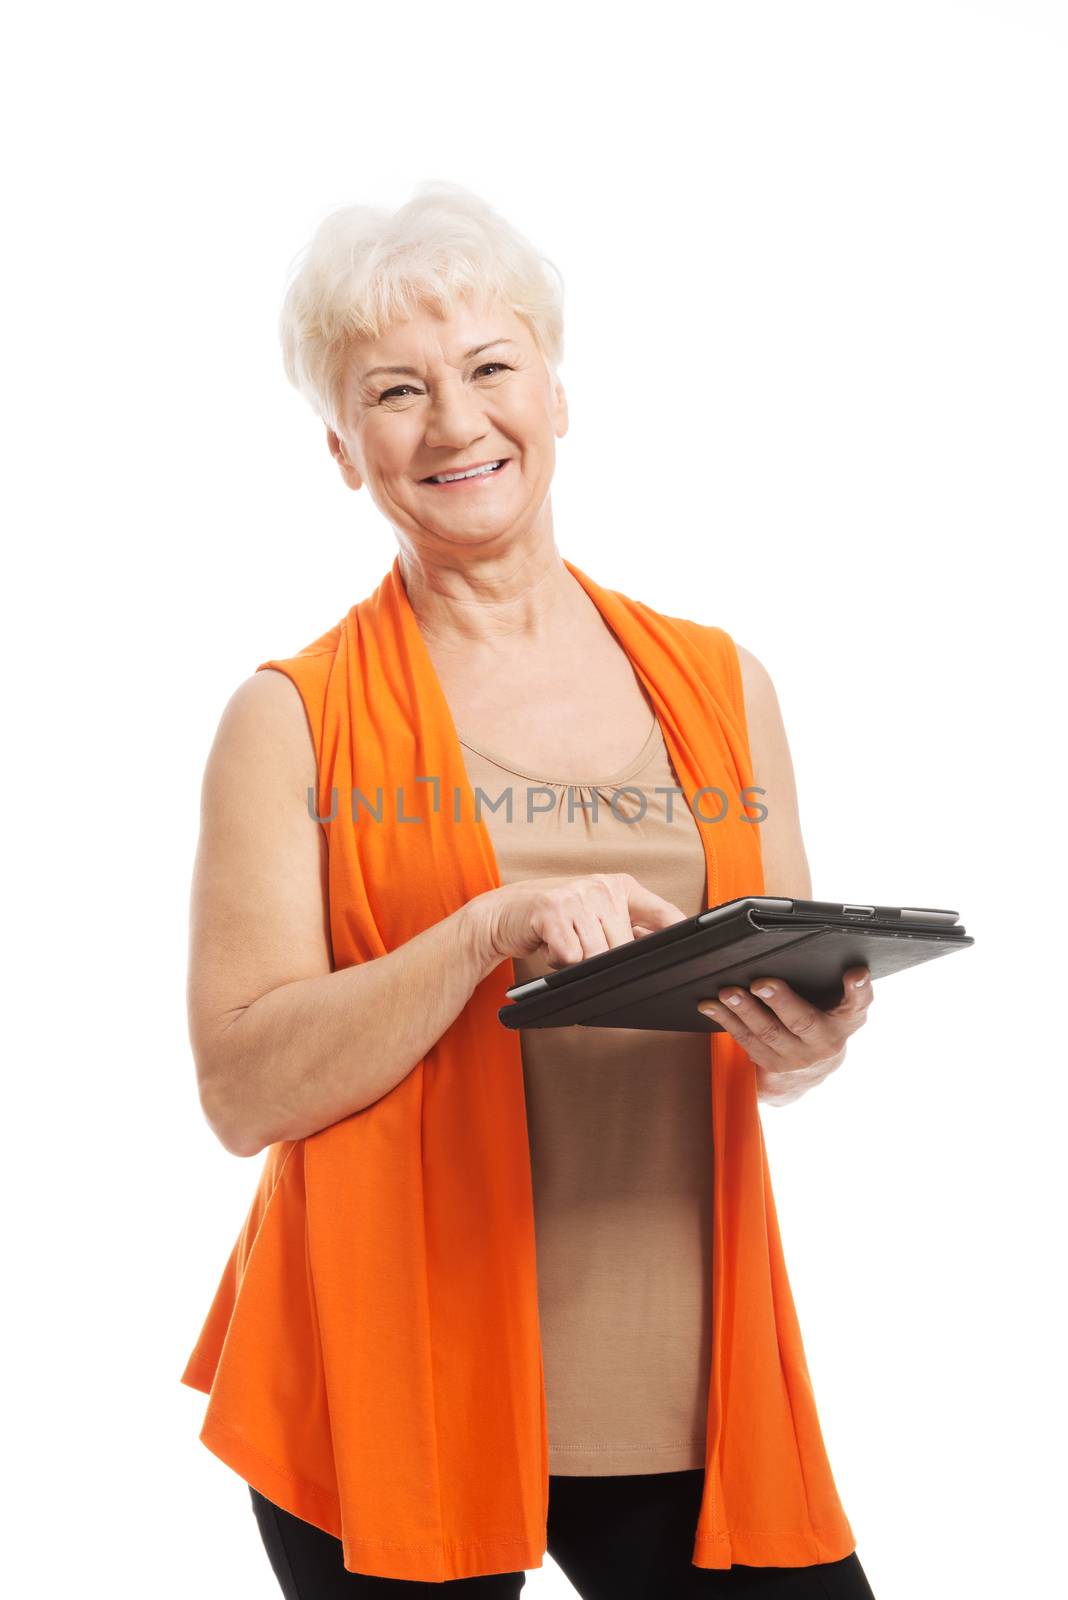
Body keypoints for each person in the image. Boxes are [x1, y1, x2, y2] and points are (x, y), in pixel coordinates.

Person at [182, 180, 877, 1597]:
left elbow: (769, 1001)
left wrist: (809, 1042)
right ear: (342, 450)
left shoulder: (720, 683)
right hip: (392, 1381)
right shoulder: (291, 718)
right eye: (394, 391)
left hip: (683, 1379)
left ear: (557, 392)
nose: (454, 424)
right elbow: (242, 1088)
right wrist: (490, 929)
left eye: (491, 368)